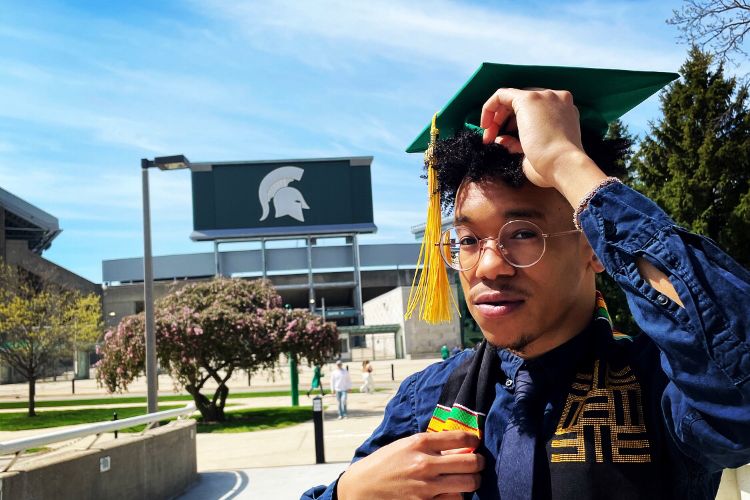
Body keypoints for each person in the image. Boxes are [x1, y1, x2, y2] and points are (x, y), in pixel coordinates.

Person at [302, 63, 750, 499]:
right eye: (467, 239)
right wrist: (350, 493)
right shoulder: (428, 397)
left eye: (521, 233)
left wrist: (564, 161)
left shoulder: (661, 386)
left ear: (593, 246)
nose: (487, 267)